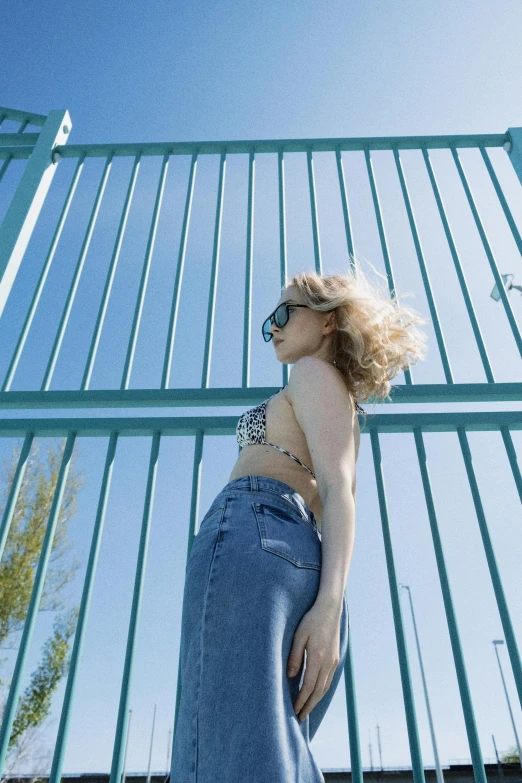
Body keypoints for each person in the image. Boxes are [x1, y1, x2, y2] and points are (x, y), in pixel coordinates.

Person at [167, 263, 429, 782]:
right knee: (267, 745)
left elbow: (337, 492)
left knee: (225, 744)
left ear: (328, 320)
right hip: (292, 550)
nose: (274, 329)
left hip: (254, 528)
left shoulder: (310, 374)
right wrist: (330, 606)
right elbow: (336, 500)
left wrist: (330, 607)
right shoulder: (337, 399)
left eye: (284, 313)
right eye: (270, 323)